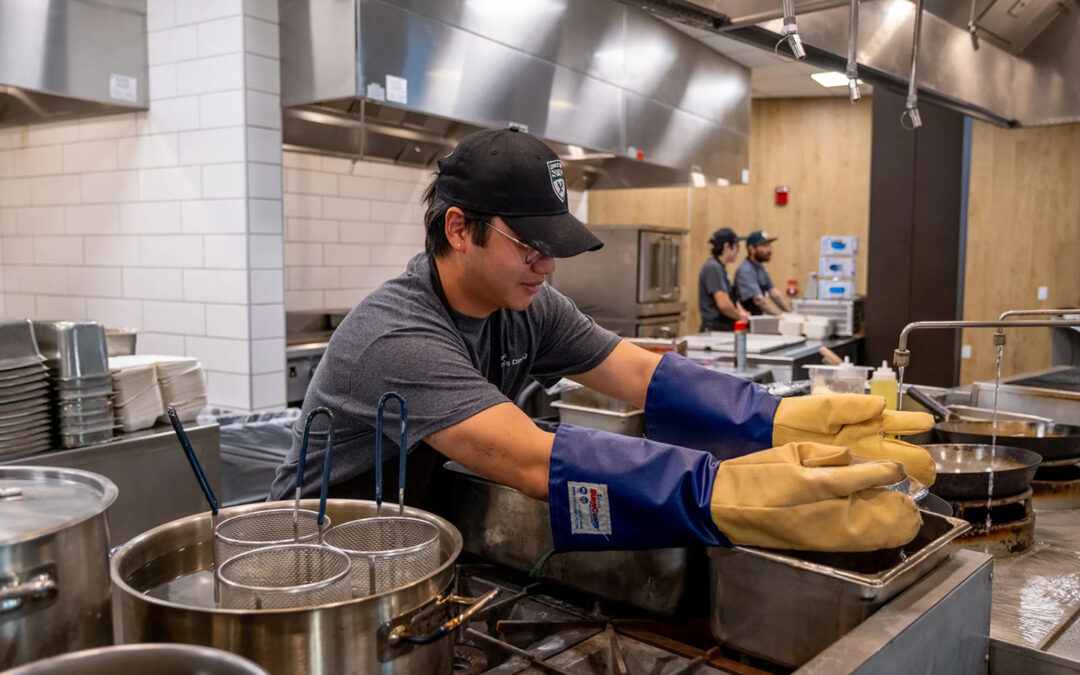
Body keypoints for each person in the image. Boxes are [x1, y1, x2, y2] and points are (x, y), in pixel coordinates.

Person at [269, 128, 936, 553]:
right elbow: (533, 459)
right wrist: (713, 490)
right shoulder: (399, 336)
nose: (548, 266)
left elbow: (643, 374)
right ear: (458, 229)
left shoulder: (526, 306)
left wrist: (771, 417)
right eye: (530, 247)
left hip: (400, 548)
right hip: (315, 562)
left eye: (553, 249)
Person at [698, 227, 749, 332]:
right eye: (736, 246)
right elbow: (724, 304)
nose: (738, 250)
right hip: (714, 329)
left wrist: (741, 311)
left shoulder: (720, 268)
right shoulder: (713, 268)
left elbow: (730, 298)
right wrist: (740, 316)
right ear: (727, 246)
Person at [735, 230, 791, 316]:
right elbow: (759, 300)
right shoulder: (746, 270)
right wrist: (779, 316)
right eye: (764, 245)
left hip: (757, 318)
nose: (768, 249)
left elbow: (774, 293)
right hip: (747, 321)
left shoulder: (760, 267)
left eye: (769, 245)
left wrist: (789, 313)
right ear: (751, 249)